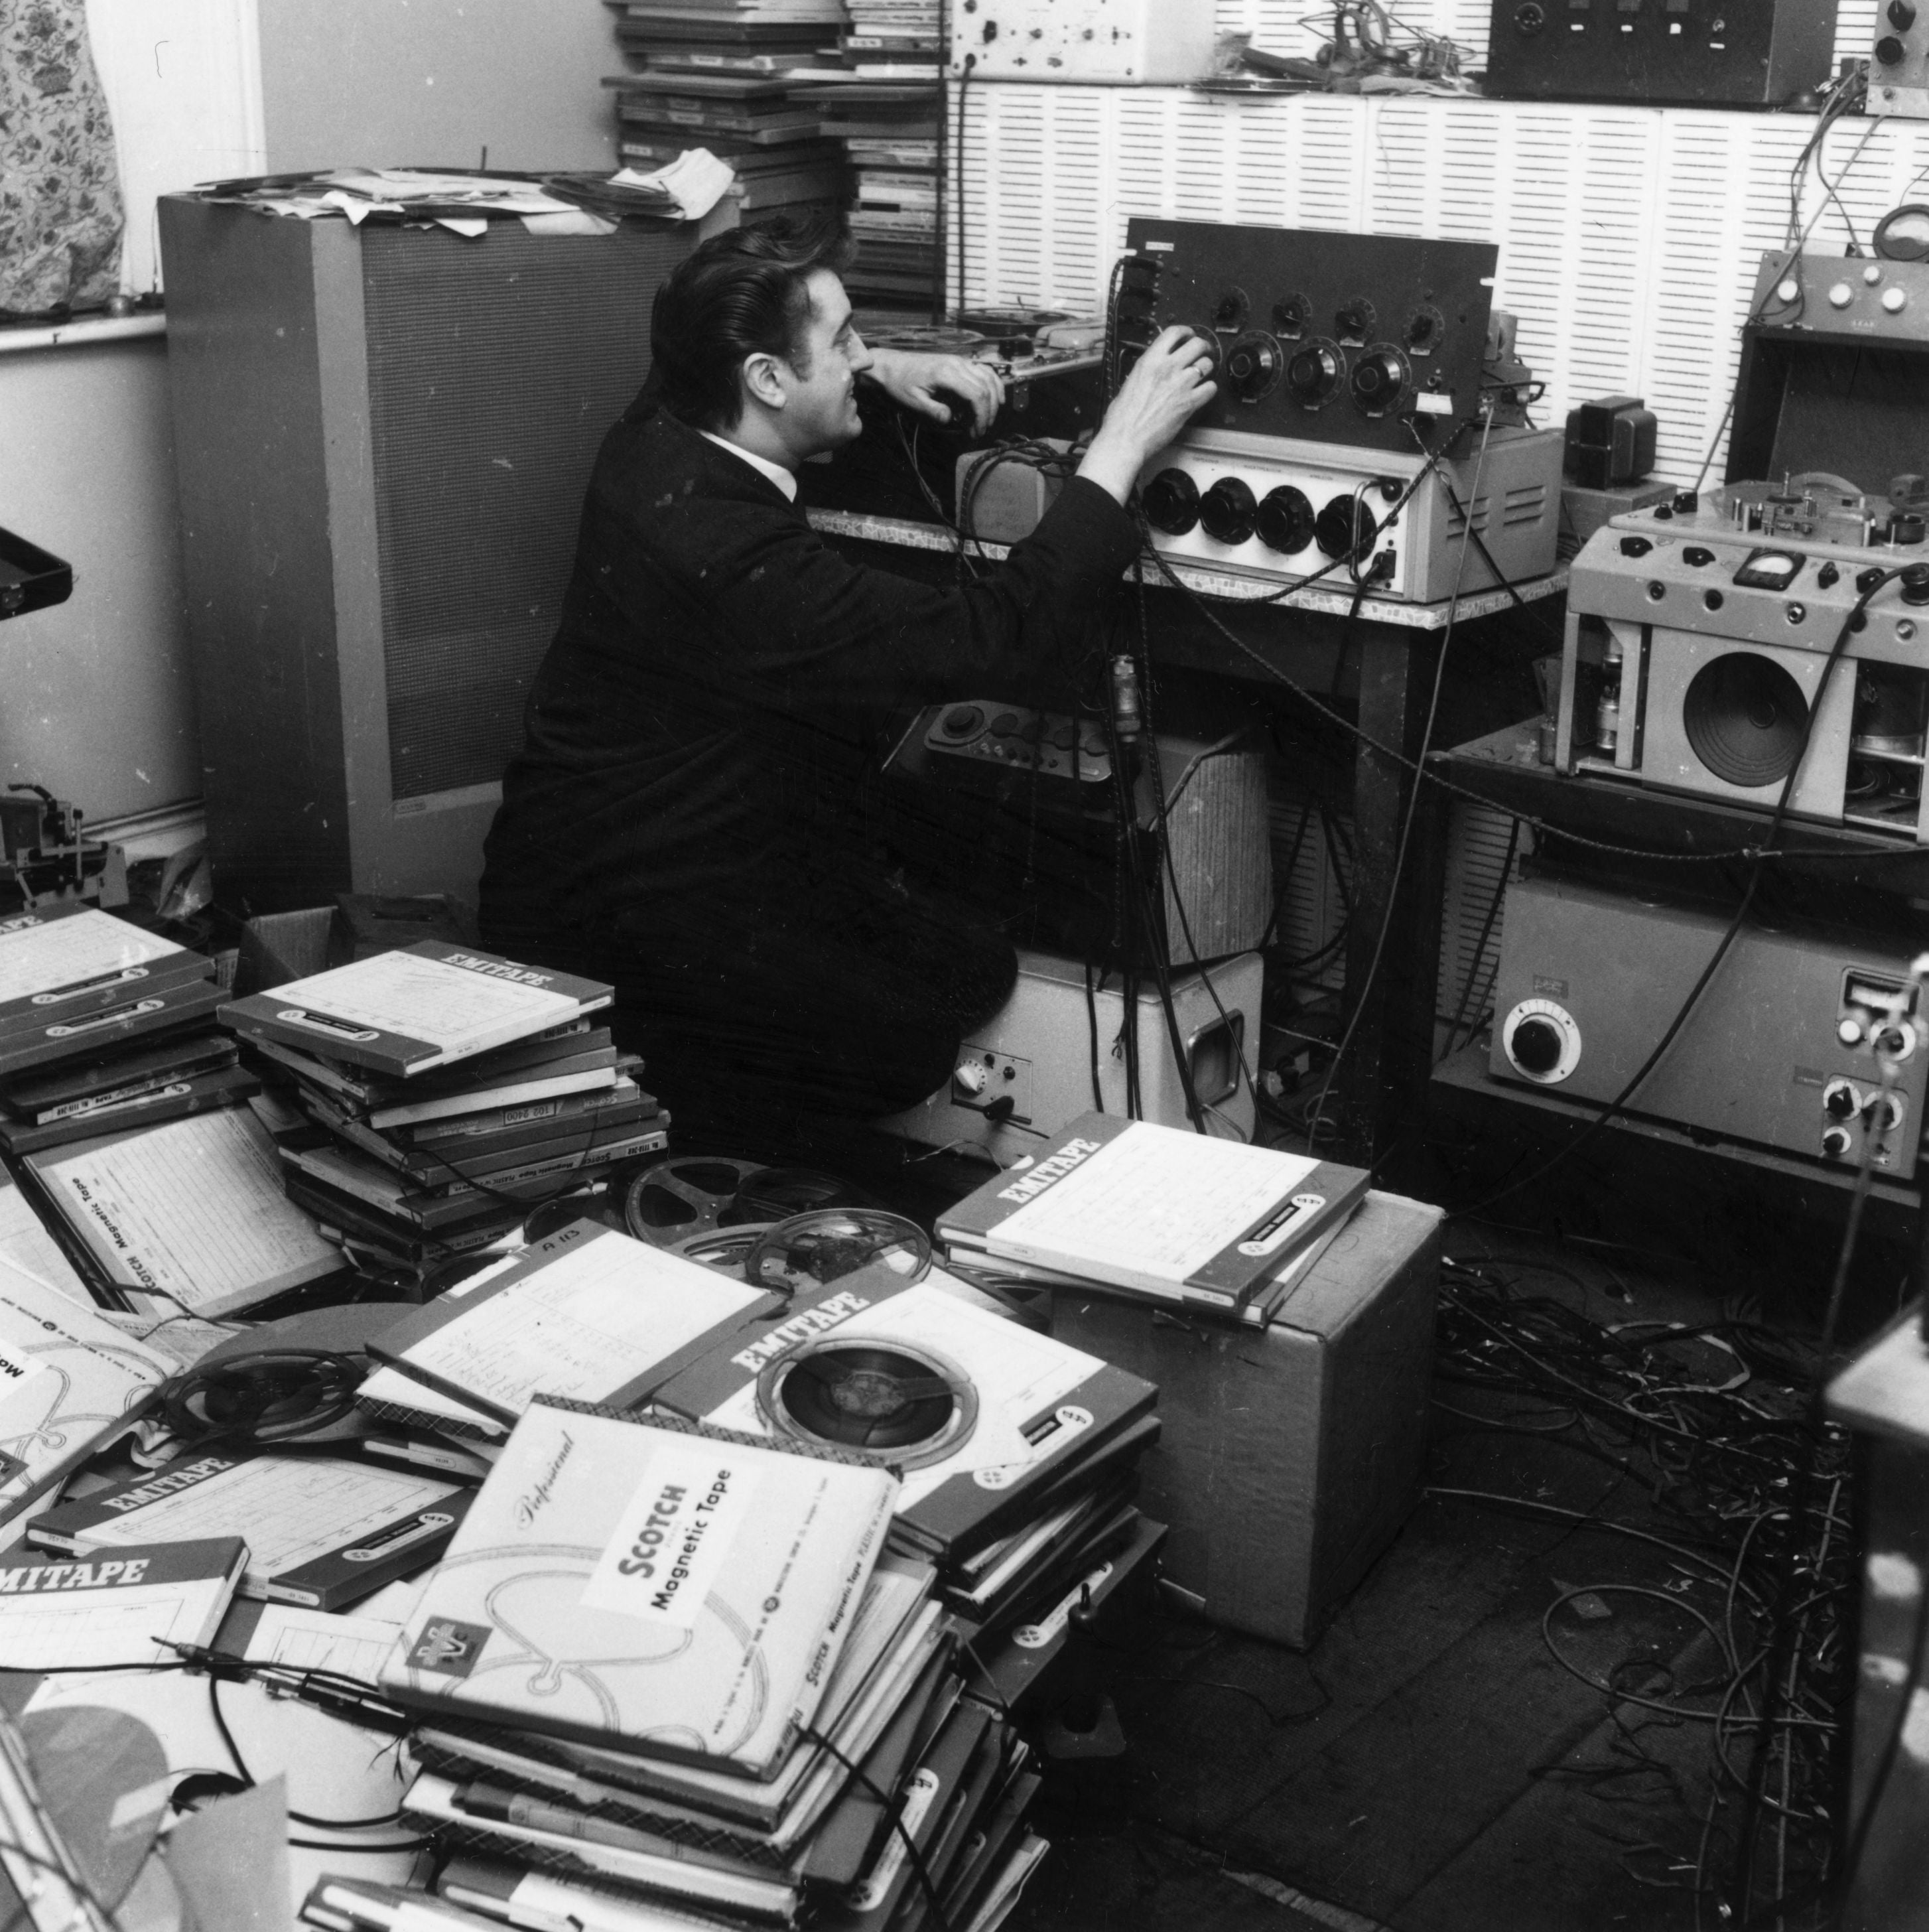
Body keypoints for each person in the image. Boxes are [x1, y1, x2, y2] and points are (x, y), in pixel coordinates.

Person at [478, 216, 1217, 1146]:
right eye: (843, 343)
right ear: (768, 379)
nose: (863, 355)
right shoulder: (738, 557)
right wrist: (1123, 444)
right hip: (640, 938)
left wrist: (880, 368)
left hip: (578, 880)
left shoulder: (653, 437)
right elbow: (997, 640)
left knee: (930, 914)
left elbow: (714, 360)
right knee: (937, 1002)